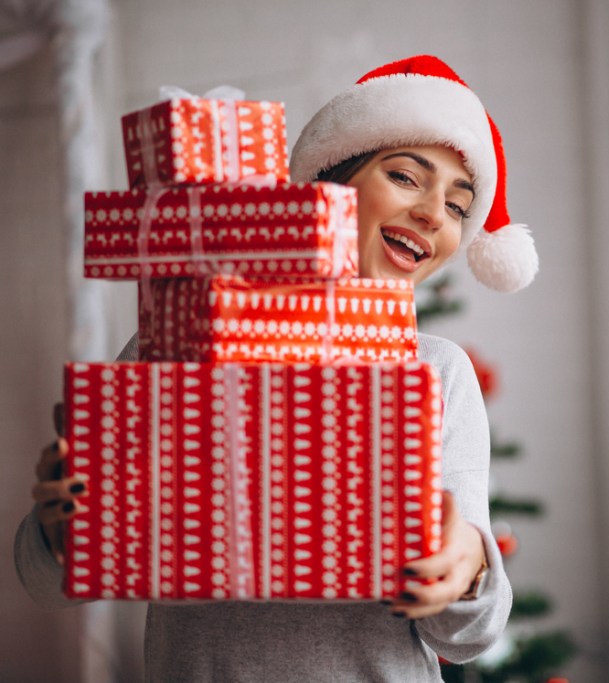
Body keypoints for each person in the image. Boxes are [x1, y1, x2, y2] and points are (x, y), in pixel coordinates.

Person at [15, 54, 538, 682]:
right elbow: (51, 583)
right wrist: (61, 526)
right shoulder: (189, 335)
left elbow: (472, 633)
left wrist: (464, 563)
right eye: (406, 176)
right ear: (329, 187)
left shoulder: (436, 371)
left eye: (458, 206)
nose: (434, 213)